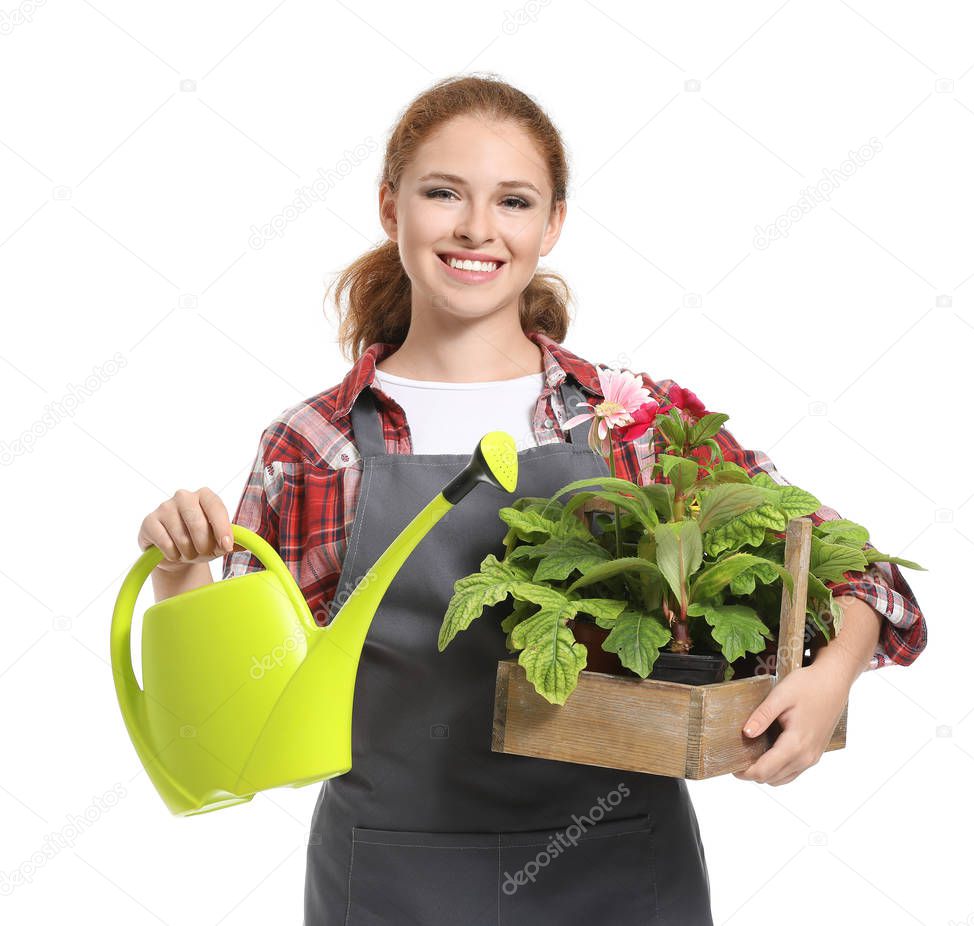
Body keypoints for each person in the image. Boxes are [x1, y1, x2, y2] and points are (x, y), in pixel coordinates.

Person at [138, 73, 927, 926]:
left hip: (621, 871)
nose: (477, 228)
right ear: (388, 204)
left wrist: (830, 678)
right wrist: (178, 577)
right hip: (396, 884)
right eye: (444, 193)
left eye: (512, 202)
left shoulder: (630, 420)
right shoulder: (317, 444)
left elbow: (859, 570)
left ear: (551, 225)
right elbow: (230, 726)